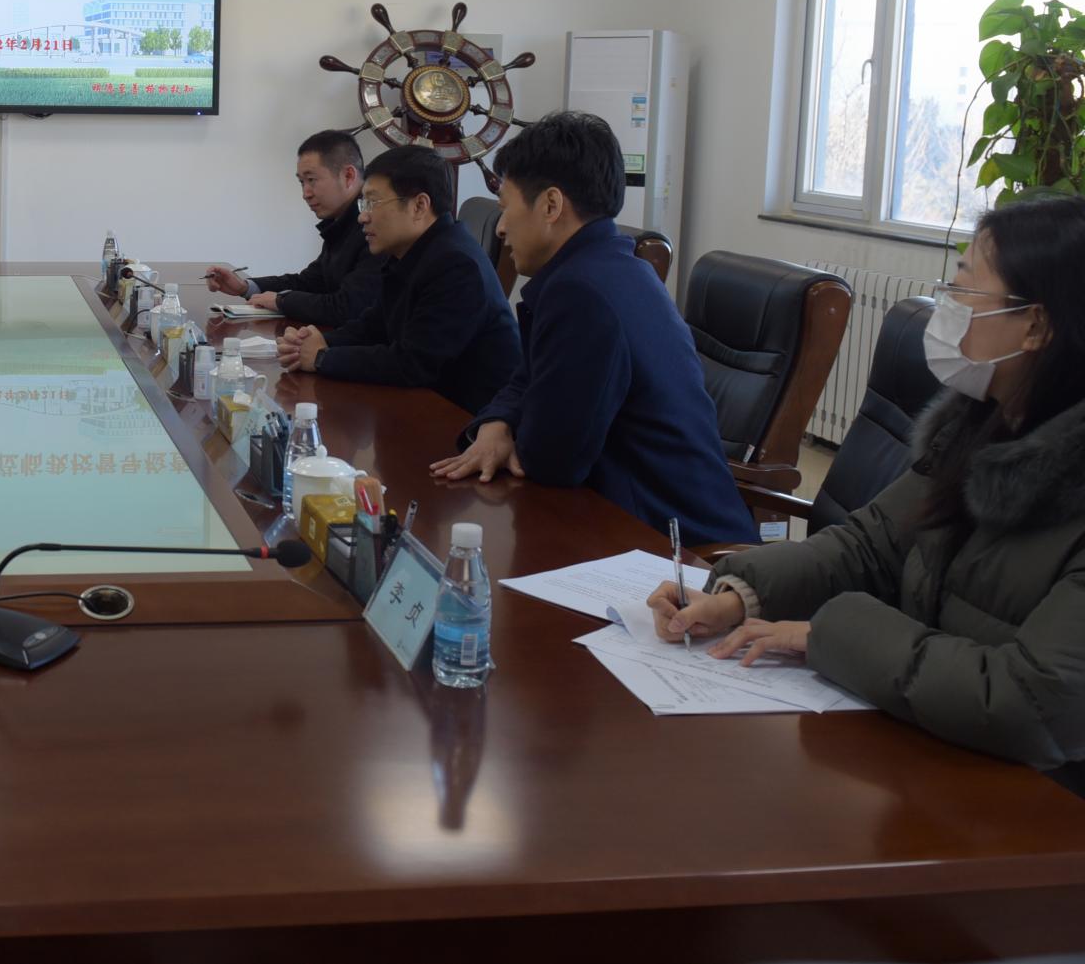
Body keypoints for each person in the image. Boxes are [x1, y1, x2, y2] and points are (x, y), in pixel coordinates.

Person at [651, 195, 1085, 793]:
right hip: (924, 750)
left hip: (1031, 806)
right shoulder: (980, 425)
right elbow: (870, 545)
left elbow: (1034, 702)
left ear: (1036, 326)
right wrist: (739, 595)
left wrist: (827, 635)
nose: (948, 308)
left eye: (966, 290)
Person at [431, 112, 753, 546]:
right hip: (632, 517)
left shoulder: (581, 294)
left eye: (506, 207)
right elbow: (526, 379)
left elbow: (550, 460)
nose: (501, 227)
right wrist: (497, 424)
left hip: (672, 548)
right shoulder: (610, 267)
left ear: (551, 205)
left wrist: (514, 434)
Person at [276, 145, 520, 413]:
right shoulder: (412, 252)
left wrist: (322, 358)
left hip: (466, 420)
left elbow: (412, 363)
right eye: (363, 203)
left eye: (373, 203)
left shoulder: (456, 264)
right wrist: (315, 343)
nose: (363, 216)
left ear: (419, 206)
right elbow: (374, 326)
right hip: (424, 406)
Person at [205, 129, 383, 327]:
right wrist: (245, 287)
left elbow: (349, 307)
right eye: (301, 182)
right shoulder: (341, 223)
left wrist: (282, 301)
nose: (305, 194)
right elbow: (310, 282)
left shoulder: (375, 228)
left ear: (348, 176)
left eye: (311, 180)